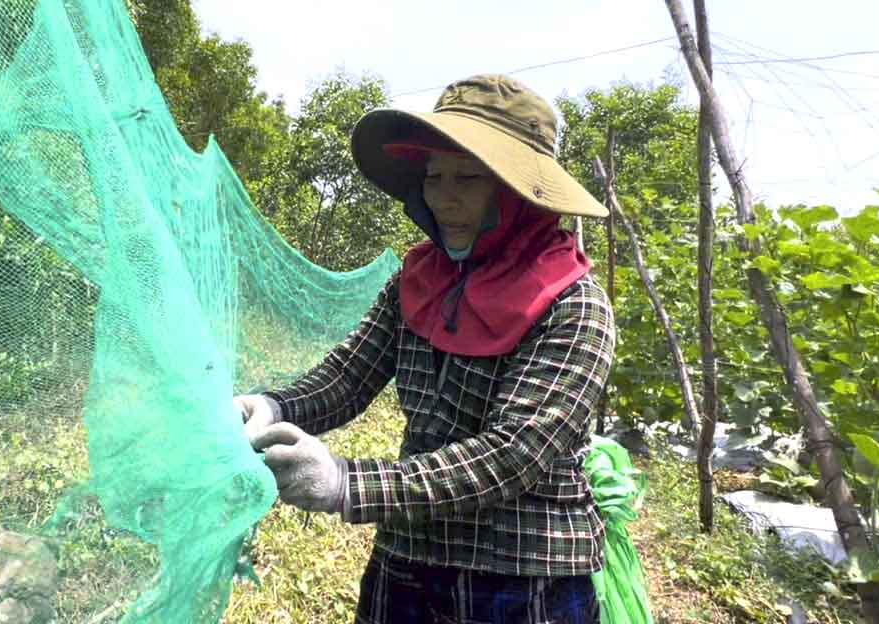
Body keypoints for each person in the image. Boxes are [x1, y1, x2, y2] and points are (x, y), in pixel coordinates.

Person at [235, 74, 615, 624]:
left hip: (522, 576)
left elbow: (514, 453)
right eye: (434, 176)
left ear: (517, 193)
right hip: (408, 556)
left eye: (469, 177)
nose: (444, 198)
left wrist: (346, 483)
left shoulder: (572, 304)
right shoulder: (420, 280)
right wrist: (270, 407)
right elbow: (349, 377)